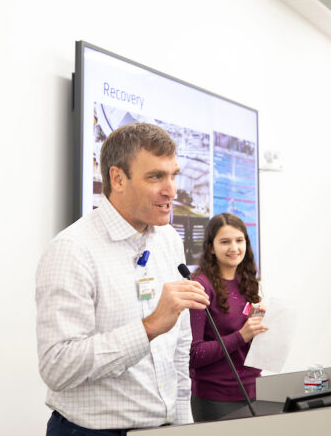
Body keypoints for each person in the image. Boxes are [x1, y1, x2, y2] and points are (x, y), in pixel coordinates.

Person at [35, 122, 210, 435]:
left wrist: (185, 425)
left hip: (165, 427)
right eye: (156, 176)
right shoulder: (71, 251)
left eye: (174, 175)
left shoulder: (168, 239)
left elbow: (179, 346)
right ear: (117, 178)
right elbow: (57, 367)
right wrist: (149, 327)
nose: (172, 189)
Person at [188, 213, 268, 422]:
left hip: (254, 392)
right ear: (211, 248)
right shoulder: (200, 286)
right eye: (225, 242)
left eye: (239, 240)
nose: (234, 248)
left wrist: (264, 325)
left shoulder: (249, 282)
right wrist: (241, 335)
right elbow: (194, 354)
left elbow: (247, 343)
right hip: (215, 400)